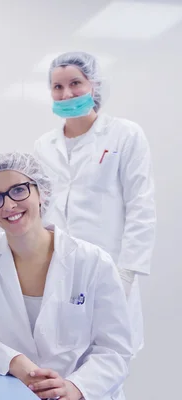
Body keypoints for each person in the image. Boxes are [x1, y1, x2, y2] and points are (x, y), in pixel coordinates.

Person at [0, 152, 133, 400]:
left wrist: (75, 387)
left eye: (19, 190)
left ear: (41, 192)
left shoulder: (93, 261)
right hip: (15, 390)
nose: (9, 205)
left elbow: (115, 349)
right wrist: (16, 362)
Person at [34, 51, 156, 354]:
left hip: (111, 267)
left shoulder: (125, 135)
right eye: (57, 87)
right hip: (58, 269)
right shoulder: (43, 146)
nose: (67, 93)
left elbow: (141, 206)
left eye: (76, 83)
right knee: (60, 359)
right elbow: (40, 209)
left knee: (109, 359)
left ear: (94, 85)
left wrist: (127, 272)